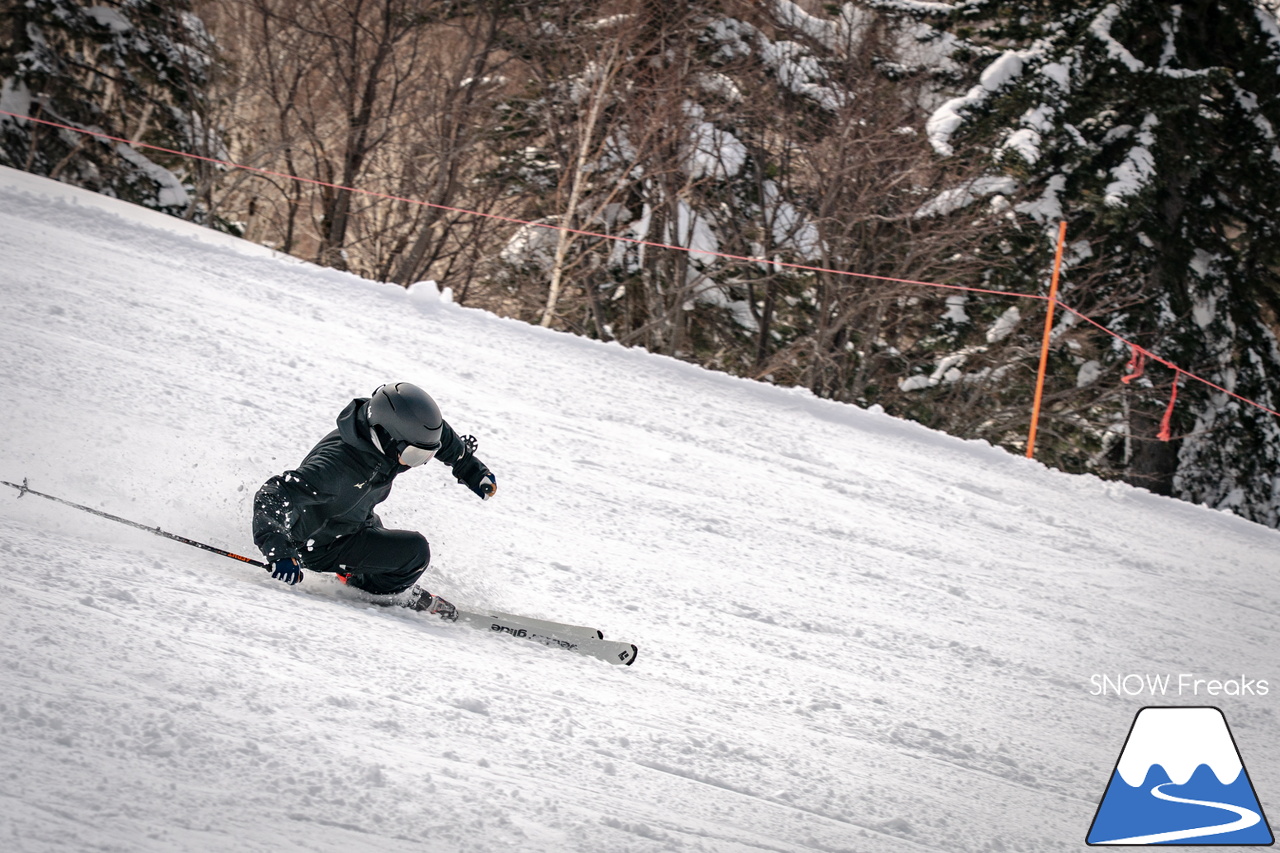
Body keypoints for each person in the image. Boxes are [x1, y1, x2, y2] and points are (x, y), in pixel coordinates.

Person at [251, 382, 496, 619]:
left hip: (353, 521)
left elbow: (437, 434)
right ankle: (370, 590)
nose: (419, 462)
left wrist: (470, 468)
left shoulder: (386, 437)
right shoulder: (335, 466)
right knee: (414, 553)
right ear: (387, 436)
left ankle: (363, 576)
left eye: (426, 455)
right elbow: (273, 493)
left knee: (394, 548)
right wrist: (279, 550)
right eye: (416, 454)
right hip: (318, 545)